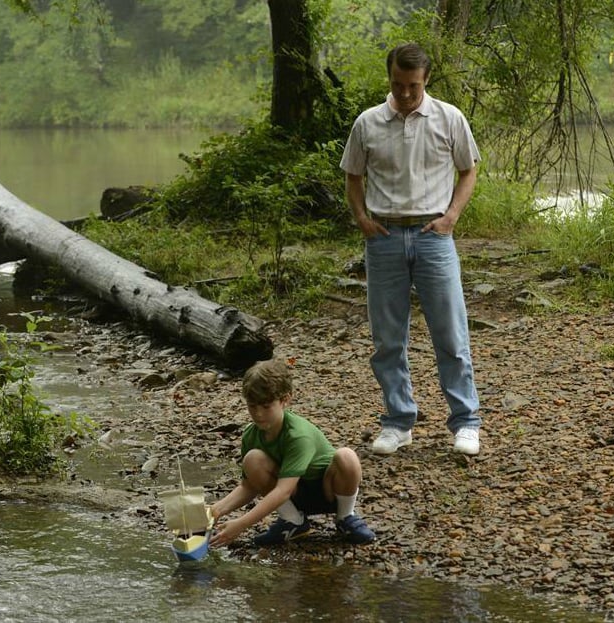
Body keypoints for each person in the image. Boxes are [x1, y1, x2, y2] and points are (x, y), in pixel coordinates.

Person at [339, 42, 481, 456]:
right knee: (387, 339)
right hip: (383, 238)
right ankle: (398, 421)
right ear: (390, 78)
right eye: (398, 85)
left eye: (413, 86)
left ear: (426, 80)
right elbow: (353, 176)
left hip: (434, 235)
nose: (404, 94)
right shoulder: (368, 123)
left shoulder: (449, 117)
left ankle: (466, 422)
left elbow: (469, 169)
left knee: (450, 334)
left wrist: (452, 216)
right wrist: (362, 220)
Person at [207, 358, 376, 547]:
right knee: (252, 459)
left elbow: (282, 491)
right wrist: (214, 511)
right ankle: (293, 521)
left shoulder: (297, 435)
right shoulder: (251, 434)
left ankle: (345, 517)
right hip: (295, 496)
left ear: (285, 399)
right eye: (252, 407)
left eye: (266, 406)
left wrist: (241, 524)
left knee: (347, 456)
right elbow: (248, 486)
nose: (259, 414)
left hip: (329, 492)